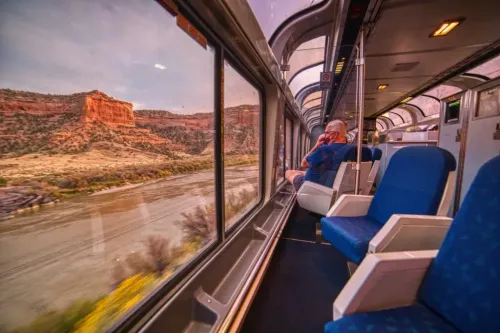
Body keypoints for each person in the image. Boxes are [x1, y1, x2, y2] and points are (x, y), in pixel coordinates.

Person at [285, 120, 348, 191]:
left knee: (289, 172)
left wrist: (317, 145)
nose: (325, 135)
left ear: (334, 135)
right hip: (327, 182)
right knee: (298, 172)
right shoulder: (348, 149)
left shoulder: (325, 149)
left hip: (310, 187)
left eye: (326, 133)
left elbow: (303, 163)